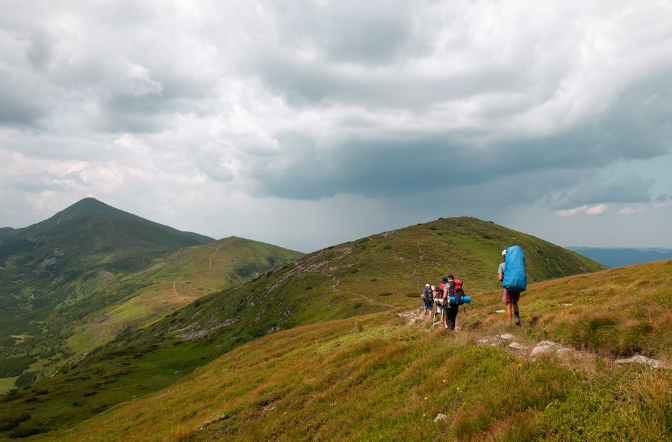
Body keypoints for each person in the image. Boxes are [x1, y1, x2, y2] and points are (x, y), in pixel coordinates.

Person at [499, 250, 521, 326]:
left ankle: (509, 324)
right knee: (515, 302)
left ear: (504, 256)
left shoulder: (502, 265)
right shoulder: (516, 264)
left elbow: (500, 278)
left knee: (509, 305)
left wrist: (505, 281)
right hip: (517, 286)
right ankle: (517, 317)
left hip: (508, 286)